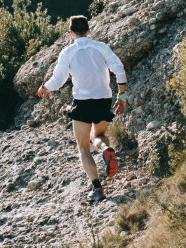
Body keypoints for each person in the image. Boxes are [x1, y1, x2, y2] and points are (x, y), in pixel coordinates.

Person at [37, 15, 127, 202]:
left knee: (83, 146)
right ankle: (106, 150)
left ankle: (97, 188)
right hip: (103, 99)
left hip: (83, 102)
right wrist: (122, 96)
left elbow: (59, 80)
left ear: (71, 33)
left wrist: (45, 87)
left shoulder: (68, 52)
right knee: (99, 136)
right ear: (89, 30)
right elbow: (119, 69)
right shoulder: (101, 48)